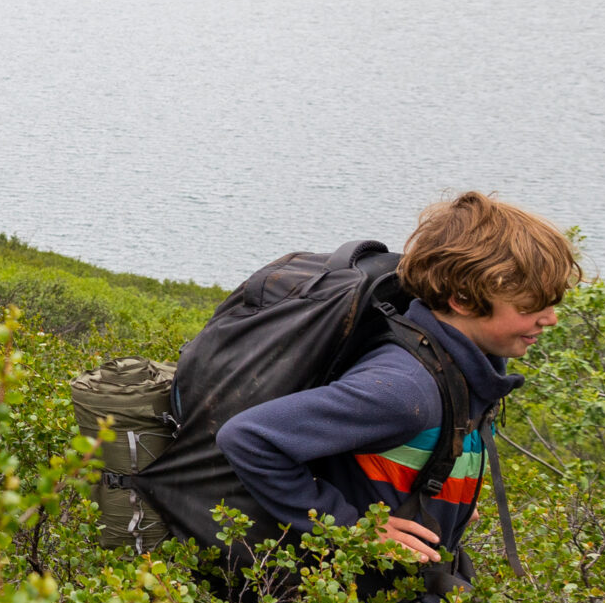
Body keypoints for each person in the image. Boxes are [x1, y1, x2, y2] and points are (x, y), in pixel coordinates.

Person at [216, 192, 582, 596]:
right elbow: (248, 437)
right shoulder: (406, 389)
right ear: (461, 299)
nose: (550, 319)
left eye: (553, 303)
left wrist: (450, 497)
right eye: (532, 306)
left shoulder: (468, 368)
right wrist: (351, 528)